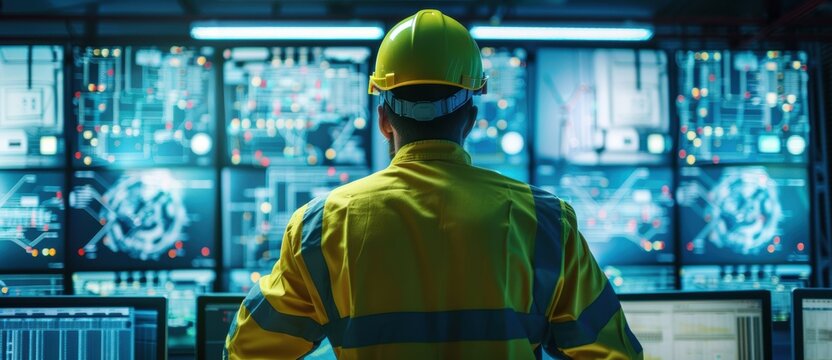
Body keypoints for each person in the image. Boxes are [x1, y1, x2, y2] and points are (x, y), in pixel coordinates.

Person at [225, 9, 643, 360]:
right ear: (471, 119)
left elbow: (246, 352)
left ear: (384, 121)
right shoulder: (548, 222)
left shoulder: (322, 226)